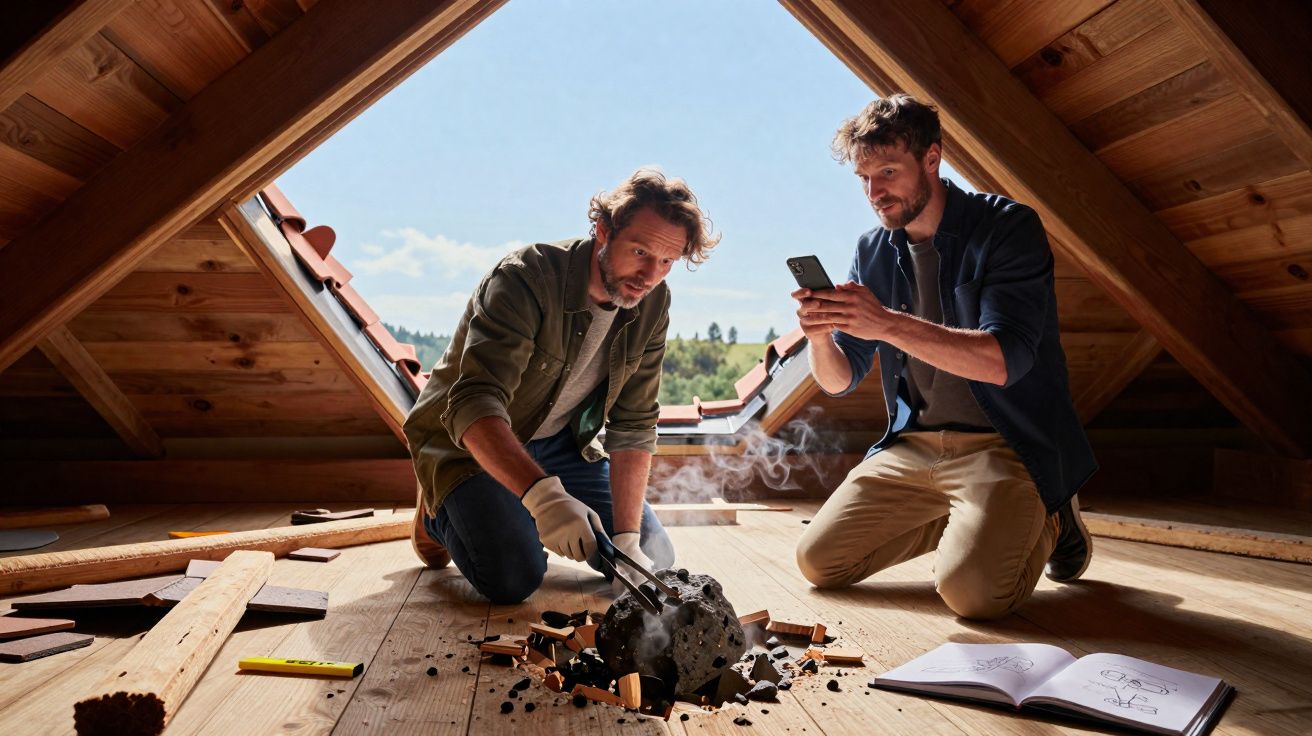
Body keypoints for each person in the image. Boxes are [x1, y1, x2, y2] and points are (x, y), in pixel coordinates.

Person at [792, 95, 1097, 620]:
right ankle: (973, 522)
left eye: (887, 172)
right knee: (818, 562)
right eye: (864, 178)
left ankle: (1053, 511)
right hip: (912, 448)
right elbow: (840, 380)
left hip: (1005, 446)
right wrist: (820, 337)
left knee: (973, 596)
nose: (874, 192)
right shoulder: (873, 250)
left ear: (932, 159)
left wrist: (886, 322)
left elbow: (1004, 361)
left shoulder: (1007, 227)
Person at [404, 168, 719, 604]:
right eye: (641, 251)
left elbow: (634, 422)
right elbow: (474, 403)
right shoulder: (524, 278)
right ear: (603, 230)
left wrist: (626, 539)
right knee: (512, 576)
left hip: (560, 445)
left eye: (667, 262)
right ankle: (437, 513)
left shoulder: (653, 301)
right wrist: (546, 499)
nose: (650, 275)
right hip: (469, 444)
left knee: (652, 556)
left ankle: (512, 507)